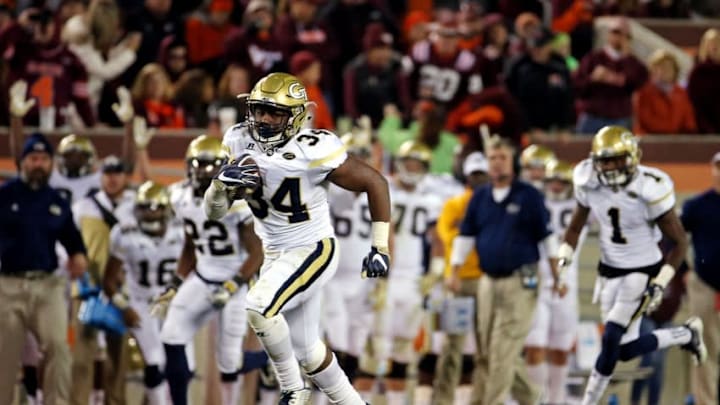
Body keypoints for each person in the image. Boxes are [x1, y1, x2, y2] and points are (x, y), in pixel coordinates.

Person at [205, 72, 391, 404]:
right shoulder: (237, 140)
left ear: (296, 116)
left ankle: (293, 389)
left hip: (312, 247)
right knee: (308, 351)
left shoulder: (312, 148)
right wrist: (219, 186)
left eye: (274, 112)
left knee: (259, 307)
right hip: (275, 253)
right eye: (260, 109)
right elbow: (215, 213)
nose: (263, 119)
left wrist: (380, 245)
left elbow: (375, 182)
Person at [558, 126, 707, 404]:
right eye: (606, 160)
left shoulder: (649, 186)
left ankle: (587, 402)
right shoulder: (588, 179)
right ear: (595, 161)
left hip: (642, 271)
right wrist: (565, 255)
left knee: (611, 336)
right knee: (623, 351)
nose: (611, 167)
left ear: (633, 157)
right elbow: (576, 226)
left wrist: (660, 281)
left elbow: (680, 242)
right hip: (608, 271)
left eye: (617, 159)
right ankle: (685, 334)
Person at [154, 135, 263, 405]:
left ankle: (278, 355)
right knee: (171, 333)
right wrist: (176, 284)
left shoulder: (237, 202)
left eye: (209, 165)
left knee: (229, 361)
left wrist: (231, 286)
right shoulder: (180, 196)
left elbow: (258, 253)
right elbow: (191, 246)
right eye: (197, 164)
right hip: (203, 277)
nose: (202, 171)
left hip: (237, 281)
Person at [451, 137, 560, 405]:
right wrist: (453, 271)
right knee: (489, 351)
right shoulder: (480, 197)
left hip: (521, 280)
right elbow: (465, 236)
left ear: (512, 162)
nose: (497, 163)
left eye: (502, 158)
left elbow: (547, 238)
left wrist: (559, 275)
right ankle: (533, 398)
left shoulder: (529, 196)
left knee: (502, 348)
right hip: (487, 280)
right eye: (492, 158)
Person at [0, 133, 88, 405]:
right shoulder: (4, 195)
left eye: (43, 159)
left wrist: (79, 256)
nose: (38, 164)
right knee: (5, 357)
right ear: (22, 163)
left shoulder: (57, 201)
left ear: (51, 164)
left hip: (48, 285)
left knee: (59, 347)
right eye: (33, 159)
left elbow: (73, 239)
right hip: (8, 285)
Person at [102, 181, 185, 405]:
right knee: (156, 363)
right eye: (146, 207)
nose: (151, 212)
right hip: (142, 303)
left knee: (181, 367)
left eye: (157, 207)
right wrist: (124, 306)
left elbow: (193, 262)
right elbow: (108, 280)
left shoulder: (182, 230)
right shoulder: (124, 233)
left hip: (173, 303)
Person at [524, 160, 585, 404]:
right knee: (535, 346)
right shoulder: (535, 202)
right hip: (538, 281)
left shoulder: (581, 205)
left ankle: (556, 400)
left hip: (567, 284)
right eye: (553, 181)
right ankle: (537, 398)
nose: (557, 186)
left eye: (562, 182)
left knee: (561, 347)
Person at [433, 151, 488, 405]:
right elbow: (449, 238)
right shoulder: (454, 204)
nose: (478, 178)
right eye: (475, 174)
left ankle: (481, 399)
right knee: (451, 349)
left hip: (485, 281)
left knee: (486, 347)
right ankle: (443, 400)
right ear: (467, 175)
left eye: (482, 174)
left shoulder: (491, 204)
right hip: (457, 281)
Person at [681, 151, 720, 405]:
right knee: (704, 350)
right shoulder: (697, 205)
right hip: (705, 285)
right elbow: (673, 236)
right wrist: (684, 270)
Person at [574, 17, 648, 135]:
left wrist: (626, 58)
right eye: (616, 32)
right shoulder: (593, 58)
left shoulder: (633, 63)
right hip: (593, 116)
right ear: (608, 34)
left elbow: (638, 82)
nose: (619, 37)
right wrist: (593, 79)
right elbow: (577, 85)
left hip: (619, 117)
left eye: (625, 35)